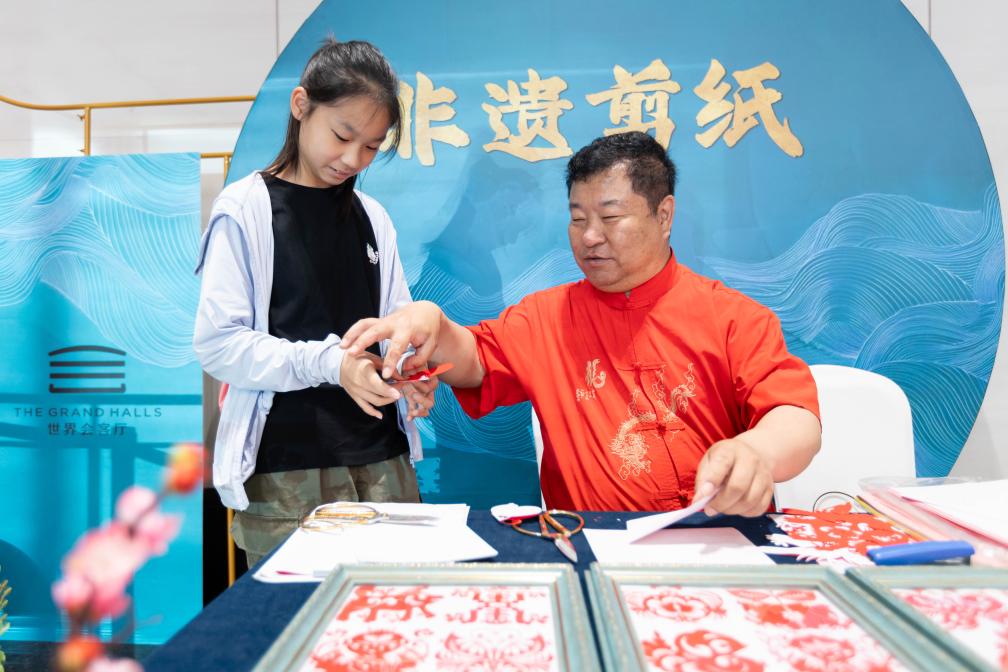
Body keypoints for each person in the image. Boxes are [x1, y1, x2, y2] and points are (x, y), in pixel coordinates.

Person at [340, 131, 821, 516]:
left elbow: (796, 417)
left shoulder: (733, 317)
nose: (590, 236)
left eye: (610, 217)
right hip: (591, 544)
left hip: (719, 543)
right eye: (577, 218)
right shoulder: (546, 318)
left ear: (664, 215)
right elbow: (473, 361)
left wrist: (757, 451)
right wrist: (434, 321)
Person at [193, 39, 437, 566]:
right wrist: (332, 364)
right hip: (288, 473)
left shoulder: (373, 217)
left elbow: (395, 325)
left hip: (385, 462)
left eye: (371, 146)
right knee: (297, 615)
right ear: (301, 105)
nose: (353, 159)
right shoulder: (245, 210)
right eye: (342, 136)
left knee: (392, 613)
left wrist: (407, 372)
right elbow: (219, 344)